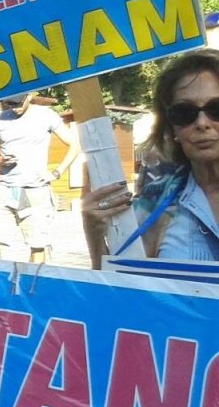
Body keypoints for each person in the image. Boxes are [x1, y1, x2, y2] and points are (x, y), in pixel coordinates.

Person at [84, 49, 219, 266]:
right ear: (171, 127)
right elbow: (125, 291)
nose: (202, 123)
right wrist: (95, 236)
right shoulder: (155, 201)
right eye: (185, 112)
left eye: (216, 108)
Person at [0, 91, 79, 263]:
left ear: (29, 96)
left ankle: (32, 287)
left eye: (18, 103)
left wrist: (57, 172)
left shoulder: (46, 115)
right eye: (10, 104)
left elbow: (74, 144)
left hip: (35, 189)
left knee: (38, 244)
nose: (15, 108)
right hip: (5, 189)